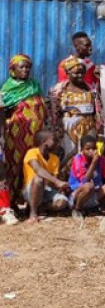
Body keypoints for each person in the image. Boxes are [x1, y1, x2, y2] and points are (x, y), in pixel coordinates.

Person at [1, 55, 48, 201]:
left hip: (36, 133)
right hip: (17, 135)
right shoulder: (7, 89)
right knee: (15, 163)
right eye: (21, 67)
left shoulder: (34, 85)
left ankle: (30, 198)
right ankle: (12, 199)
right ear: (13, 70)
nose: (25, 70)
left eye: (28, 67)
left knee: (33, 162)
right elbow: (3, 112)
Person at [49, 58, 101, 160]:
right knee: (69, 155)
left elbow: (97, 109)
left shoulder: (90, 89)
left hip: (88, 127)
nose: (80, 75)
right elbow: (54, 112)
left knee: (87, 154)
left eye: (82, 73)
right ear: (67, 73)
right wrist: (56, 130)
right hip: (68, 128)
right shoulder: (58, 90)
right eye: (76, 73)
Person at [22, 130, 71, 223]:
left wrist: (62, 186)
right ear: (43, 141)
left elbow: (52, 182)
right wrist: (57, 181)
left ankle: (39, 207)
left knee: (62, 202)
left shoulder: (55, 159)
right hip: (30, 188)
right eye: (54, 140)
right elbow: (38, 170)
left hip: (46, 189)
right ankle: (33, 213)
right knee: (38, 179)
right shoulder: (32, 152)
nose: (57, 143)